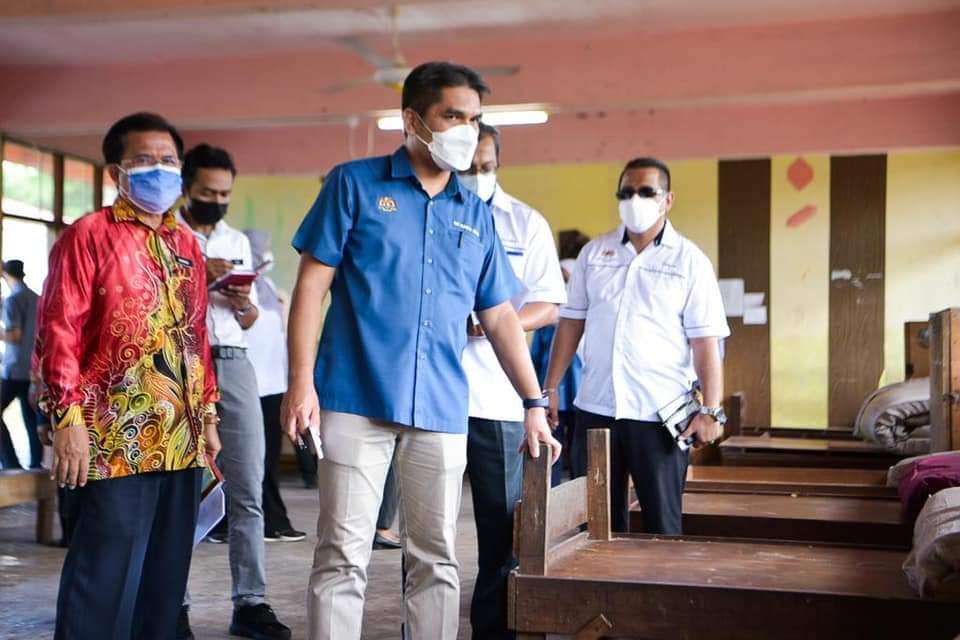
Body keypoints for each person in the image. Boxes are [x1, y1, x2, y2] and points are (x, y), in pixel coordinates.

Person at [281, 61, 561, 640]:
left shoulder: (475, 214)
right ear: (413, 119)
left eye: (475, 118)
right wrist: (300, 384)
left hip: (439, 408)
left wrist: (534, 401)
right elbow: (312, 287)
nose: (467, 129)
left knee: (436, 558)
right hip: (354, 398)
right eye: (452, 115)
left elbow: (501, 316)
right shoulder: (354, 185)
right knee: (343, 554)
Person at [37, 112, 220, 640]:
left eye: (168, 161)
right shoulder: (88, 236)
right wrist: (68, 419)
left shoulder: (186, 245)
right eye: (144, 161)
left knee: (163, 585)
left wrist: (207, 417)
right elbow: (59, 330)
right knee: (104, 579)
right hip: (111, 437)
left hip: (181, 439)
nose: (159, 171)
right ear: (116, 172)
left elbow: (196, 335)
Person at [543, 157, 730, 535]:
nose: (635, 200)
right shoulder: (594, 254)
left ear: (668, 200)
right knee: (595, 525)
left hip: (659, 415)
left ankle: (663, 593)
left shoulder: (690, 261)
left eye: (646, 192)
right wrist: (550, 388)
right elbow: (571, 324)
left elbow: (705, 342)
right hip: (597, 410)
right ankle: (599, 594)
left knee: (663, 524)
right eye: (626, 192)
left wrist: (711, 410)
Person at [177, 145, 290, 640]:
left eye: (224, 194)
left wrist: (242, 300)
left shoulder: (237, 238)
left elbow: (249, 317)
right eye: (207, 193)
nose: (217, 201)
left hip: (233, 360)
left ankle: (250, 601)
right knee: (179, 489)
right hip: (179, 362)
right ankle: (171, 602)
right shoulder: (168, 236)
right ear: (187, 188)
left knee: (248, 484)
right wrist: (202, 272)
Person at [458, 123, 567, 640]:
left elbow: (549, 304)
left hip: (499, 398)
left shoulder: (525, 223)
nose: (477, 176)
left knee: (500, 534)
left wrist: (497, 323)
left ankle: (493, 632)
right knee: (423, 534)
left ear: (498, 163)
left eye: (486, 166)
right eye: (468, 167)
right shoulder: (425, 218)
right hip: (428, 398)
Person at [243, 228, 307, 543]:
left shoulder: (267, 286)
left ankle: (275, 519)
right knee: (255, 459)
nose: (265, 253)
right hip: (250, 385)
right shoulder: (242, 289)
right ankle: (267, 522)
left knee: (268, 457)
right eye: (260, 247)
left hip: (273, 384)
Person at [529, 258, 583, 485]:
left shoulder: (584, 318)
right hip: (552, 395)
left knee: (581, 452)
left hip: (580, 394)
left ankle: (584, 503)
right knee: (552, 448)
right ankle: (550, 497)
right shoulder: (545, 318)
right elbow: (533, 358)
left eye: (568, 280)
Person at [0, 259, 40, 469]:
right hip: (33, 370)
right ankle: (35, 468)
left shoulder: (13, 300)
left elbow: (15, 335)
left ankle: (10, 464)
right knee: (32, 422)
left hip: (14, 369)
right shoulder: (37, 298)